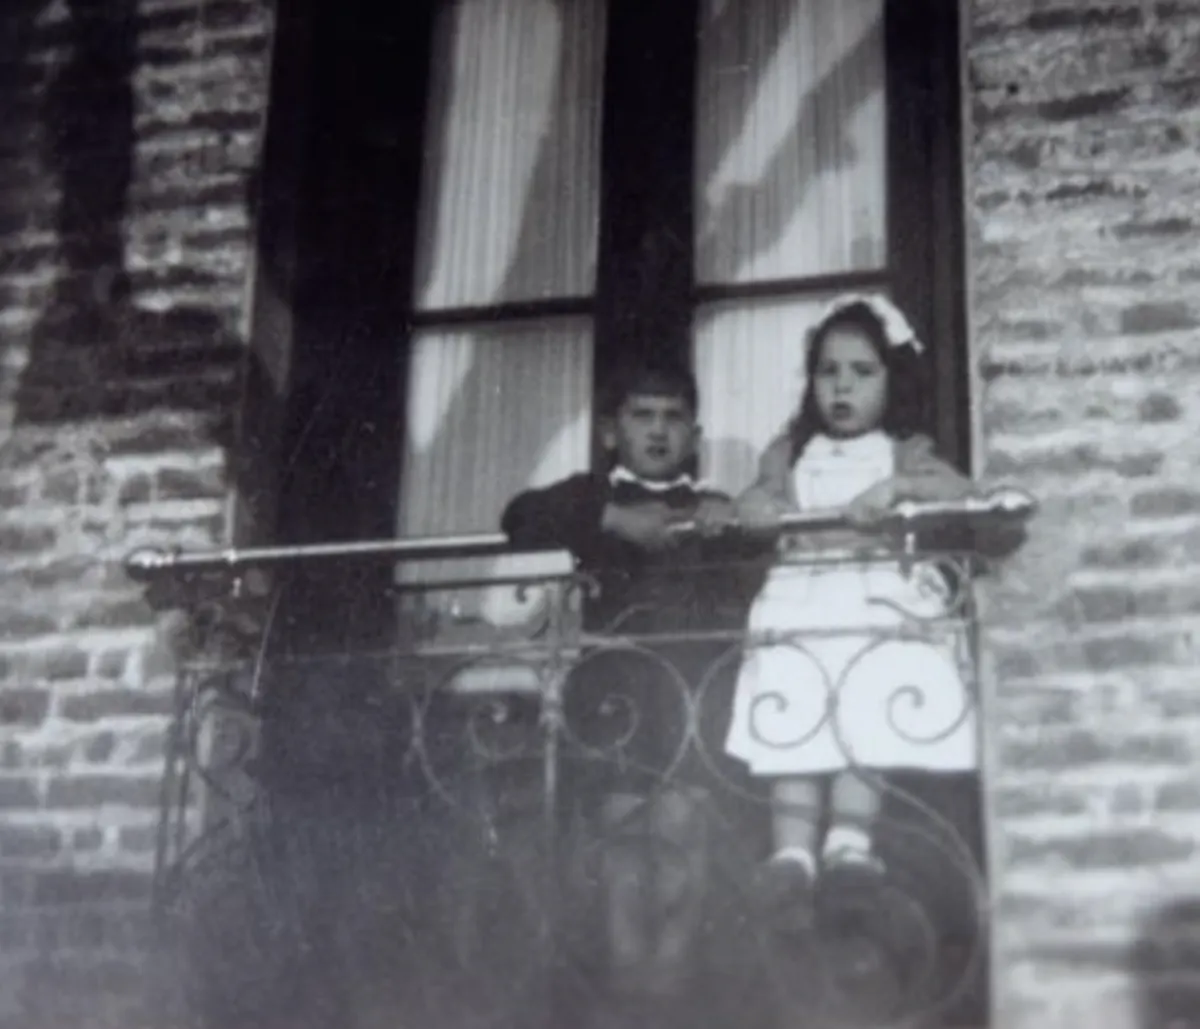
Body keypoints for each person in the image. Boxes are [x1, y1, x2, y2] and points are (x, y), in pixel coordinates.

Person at [501, 363, 766, 1014]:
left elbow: (753, 581)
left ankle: (669, 981)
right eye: (642, 414)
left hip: (690, 697)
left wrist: (733, 523)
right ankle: (626, 983)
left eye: (673, 417)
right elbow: (518, 516)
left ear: (694, 434)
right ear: (610, 432)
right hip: (615, 698)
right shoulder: (594, 496)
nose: (657, 429)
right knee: (621, 841)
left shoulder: (708, 505)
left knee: (682, 839)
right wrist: (612, 517)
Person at [725, 293, 985, 943]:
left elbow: (962, 493)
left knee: (863, 709)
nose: (842, 386)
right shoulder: (788, 453)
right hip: (802, 599)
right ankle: (792, 853)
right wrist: (755, 505)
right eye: (828, 371)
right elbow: (754, 501)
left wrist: (899, 489)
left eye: (862, 372)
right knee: (795, 711)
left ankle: (848, 842)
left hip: (871, 601)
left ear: (892, 382)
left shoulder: (904, 451)